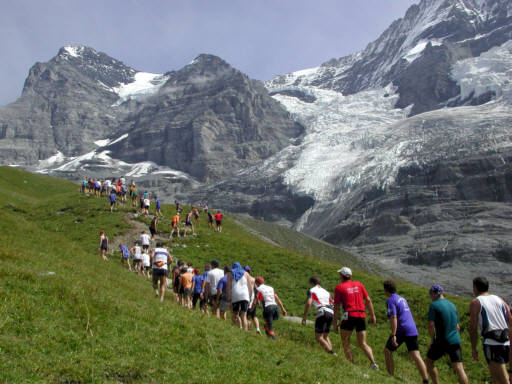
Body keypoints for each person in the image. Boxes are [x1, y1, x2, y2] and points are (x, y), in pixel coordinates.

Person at [382, 280, 428, 383]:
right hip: (412, 329)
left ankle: (390, 376)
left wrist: (393, 334)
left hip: (401, 330)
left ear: (386, 290)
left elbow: (393, 317)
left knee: (387, 351)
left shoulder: (390, 300)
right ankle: (425, 380)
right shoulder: (402, 298)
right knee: (416, 355)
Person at [333, 267, 378, 370]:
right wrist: (372, 315)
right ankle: (373, 363)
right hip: (361, 315)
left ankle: (351, 364)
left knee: (345, 341)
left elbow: (336, 307)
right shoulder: (359, 284)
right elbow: (368, 300)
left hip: (349, 315)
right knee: (362, 343)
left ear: (341, 276)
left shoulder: (339, 288)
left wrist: (335, 323)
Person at [469, 277, 511, 384]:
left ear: (475, 287)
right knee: (496, 377)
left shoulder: (476, 302)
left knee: (503, 379)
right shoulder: (499, 299)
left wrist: (473, 347)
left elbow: (473, 327)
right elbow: (510, 318)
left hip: (492, 343)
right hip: (506, 340)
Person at [425, 285, 468, 384]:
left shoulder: (434, 305)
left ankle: (435, 382)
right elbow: (457, 326)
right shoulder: (452, 305)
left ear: (433, 294)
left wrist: (432, 340)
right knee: (459, 367)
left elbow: (431, 325)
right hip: (455, 340)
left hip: (442, 339)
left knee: (429, 361)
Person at [302, 276, 335, 354]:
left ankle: (331, 354)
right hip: (331, 312)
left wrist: (304, 317)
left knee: (318, 337)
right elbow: (333, 302)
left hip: (322, 311)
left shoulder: (312, 290)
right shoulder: (326, 292)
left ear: (311, 283)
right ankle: (331, 352)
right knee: (325, 336)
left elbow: (309, 303)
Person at [227, 262, 252, 330]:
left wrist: (229, 299)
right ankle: (245, 331)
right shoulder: (246, 273)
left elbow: (228, 287)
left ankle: (237, 329)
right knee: (244, 316)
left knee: (235, 315)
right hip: (245, 296)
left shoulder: (230, 273)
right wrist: (249, 298)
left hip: (235, 296)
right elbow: (250, 287)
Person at [245, 266, 261, 334]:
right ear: (250, 271)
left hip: (247, 297)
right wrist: (258, 300)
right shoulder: (254, 279)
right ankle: (257, 329)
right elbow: (257, 290)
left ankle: (247, 329)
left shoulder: (244, 278)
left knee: (247, 315)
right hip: (253, 297)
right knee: (254, 315)